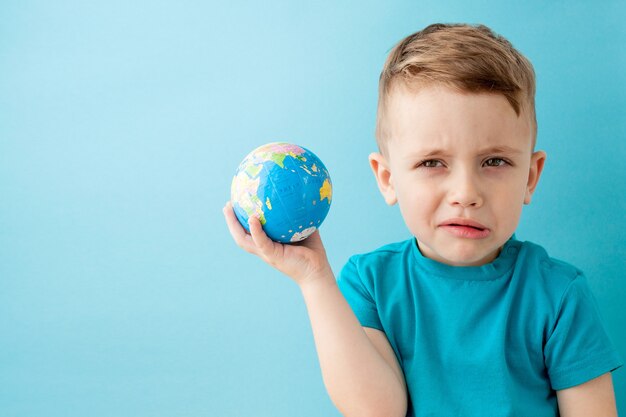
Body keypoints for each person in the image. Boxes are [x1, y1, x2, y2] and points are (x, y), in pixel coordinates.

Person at [223, 23, 622, 417]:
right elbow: (377, 409)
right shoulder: (370, 282)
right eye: (433, 163)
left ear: (530, 178)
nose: (466, 192)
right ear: (388, 178)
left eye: (494, 161)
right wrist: (314, 280)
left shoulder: (559, 294)